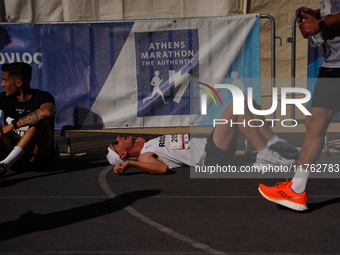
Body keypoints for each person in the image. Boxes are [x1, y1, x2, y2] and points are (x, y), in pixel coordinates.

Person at [258, 2, 340, 211]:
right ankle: (296, 189)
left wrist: (321, 23)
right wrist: (316, 14)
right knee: (314, 123)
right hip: (333, 66)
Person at [107, 97, 299, 175]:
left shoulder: (149, 145)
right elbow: (162, 169)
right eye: (116, 143)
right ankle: (266, 152)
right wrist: (132, 164)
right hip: (211, 156)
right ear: (122, 154)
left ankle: (275, 144)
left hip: (212, 145)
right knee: (237, 104)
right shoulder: (144, 156)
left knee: (246, 101)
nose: (119, 137)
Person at [0, 62, 56, 184]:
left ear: (19, 83)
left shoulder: (42, 97)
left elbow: (47, 112)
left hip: (36, 158)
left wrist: (13, 125)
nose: (2, 84)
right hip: (14, 159)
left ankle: (3, 166)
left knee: (40, 121)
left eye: (4, 80)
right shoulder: (4, 98)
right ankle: (3, 165)